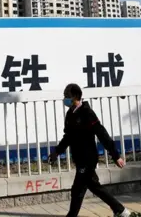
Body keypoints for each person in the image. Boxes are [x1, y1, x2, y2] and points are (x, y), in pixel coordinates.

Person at [49, 83, 131, 217]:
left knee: (77, 189)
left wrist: (115, 155)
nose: (64, 99)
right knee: (92, 186)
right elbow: (68, 137)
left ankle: (73, 215)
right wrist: (56, 152)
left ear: (75, 96)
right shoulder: (70, 114)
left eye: (67, 96)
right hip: (79, 158)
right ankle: (120, 210)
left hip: (88, 158)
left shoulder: (87, 113)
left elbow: (102, 134)